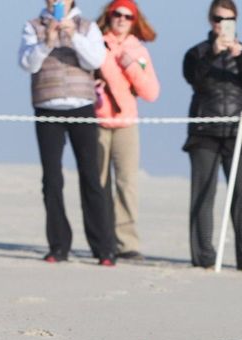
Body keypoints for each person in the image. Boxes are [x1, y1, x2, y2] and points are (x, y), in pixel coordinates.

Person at [19, 0, 116, 266]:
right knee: (51, 179)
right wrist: (47, 41)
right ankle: (59, 245)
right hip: (46, 107)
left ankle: (104, 248)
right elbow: (27, 64)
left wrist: (73, 35)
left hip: (81, 107)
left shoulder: (87, 27)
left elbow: (96, 60)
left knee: (91, 177)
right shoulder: (33, 26)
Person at [182, 0, 242, 271]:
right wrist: (213, 55)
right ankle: (203, 257)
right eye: (217, 18)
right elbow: (195, 79)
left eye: (227, 19)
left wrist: (239, 55)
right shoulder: (197, 52)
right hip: (205, 130)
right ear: (210, 20)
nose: (221, 24)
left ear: (235, 21)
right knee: (203, 195)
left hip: (239, 132)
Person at [95, 0, 160, 261]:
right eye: (116, 14)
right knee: (98, 183)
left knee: (127, 184)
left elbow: (151, 92)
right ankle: (101, 239)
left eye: (127, 16)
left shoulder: (139, 51)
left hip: (126, 124)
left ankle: (126, 242)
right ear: (108, 16)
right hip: (97, 122)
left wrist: (131, 65)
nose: (121, 19)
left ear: (135, 21)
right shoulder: (96, 44)